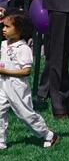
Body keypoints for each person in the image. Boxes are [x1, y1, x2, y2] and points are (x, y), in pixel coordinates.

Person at [0, 10, 59, 149]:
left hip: (17, 86)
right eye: (3, 26)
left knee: (25, 114)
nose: (4, 29)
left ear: (19, 30)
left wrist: (4, 71)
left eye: (7, 27)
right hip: (3, 84)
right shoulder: (4, 45)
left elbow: (26, 71)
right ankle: (1, 140)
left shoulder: (24, 48)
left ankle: (49, 135)